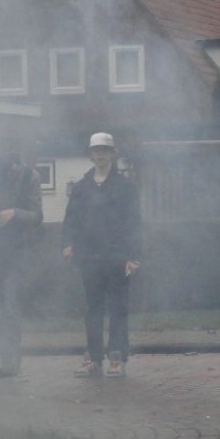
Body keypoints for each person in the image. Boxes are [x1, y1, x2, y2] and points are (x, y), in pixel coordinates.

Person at [62, 132, 142, 378]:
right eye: (96, 150)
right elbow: (71, 219)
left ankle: (117, 357)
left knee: (118, 308)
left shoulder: (126, 187)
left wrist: (134, 256)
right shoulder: (82, 187)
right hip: (89, 257)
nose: (100, 155)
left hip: (117, 257)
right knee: (93, 308)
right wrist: (67, 243)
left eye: (105, 151)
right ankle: (94, 358)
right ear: (90, 154)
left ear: (112, 154)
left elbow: (134, 223)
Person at [0, 146, 42, 373]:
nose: (9, 174)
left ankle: (13, 360)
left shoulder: (30, 177)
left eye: (12, 171)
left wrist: (14, 213)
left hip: (16, 253)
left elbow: (37, 215)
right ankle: (4, 358)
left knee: (11, 307)